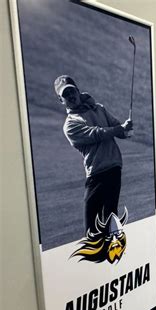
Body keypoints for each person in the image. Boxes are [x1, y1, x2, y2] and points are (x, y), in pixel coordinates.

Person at [54, 75, 133, 236]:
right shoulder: (70, 125)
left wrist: (126, 130)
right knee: (94, 224)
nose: (70, 96)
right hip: (96, 171)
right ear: (60, 100)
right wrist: (120, 129)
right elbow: (95, 134)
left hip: (112, 167)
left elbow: (118, 128)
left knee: (105, 219)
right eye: (65, 94)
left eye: (72, 91)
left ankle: (112, 253)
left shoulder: (99, 108)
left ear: (77, 90)